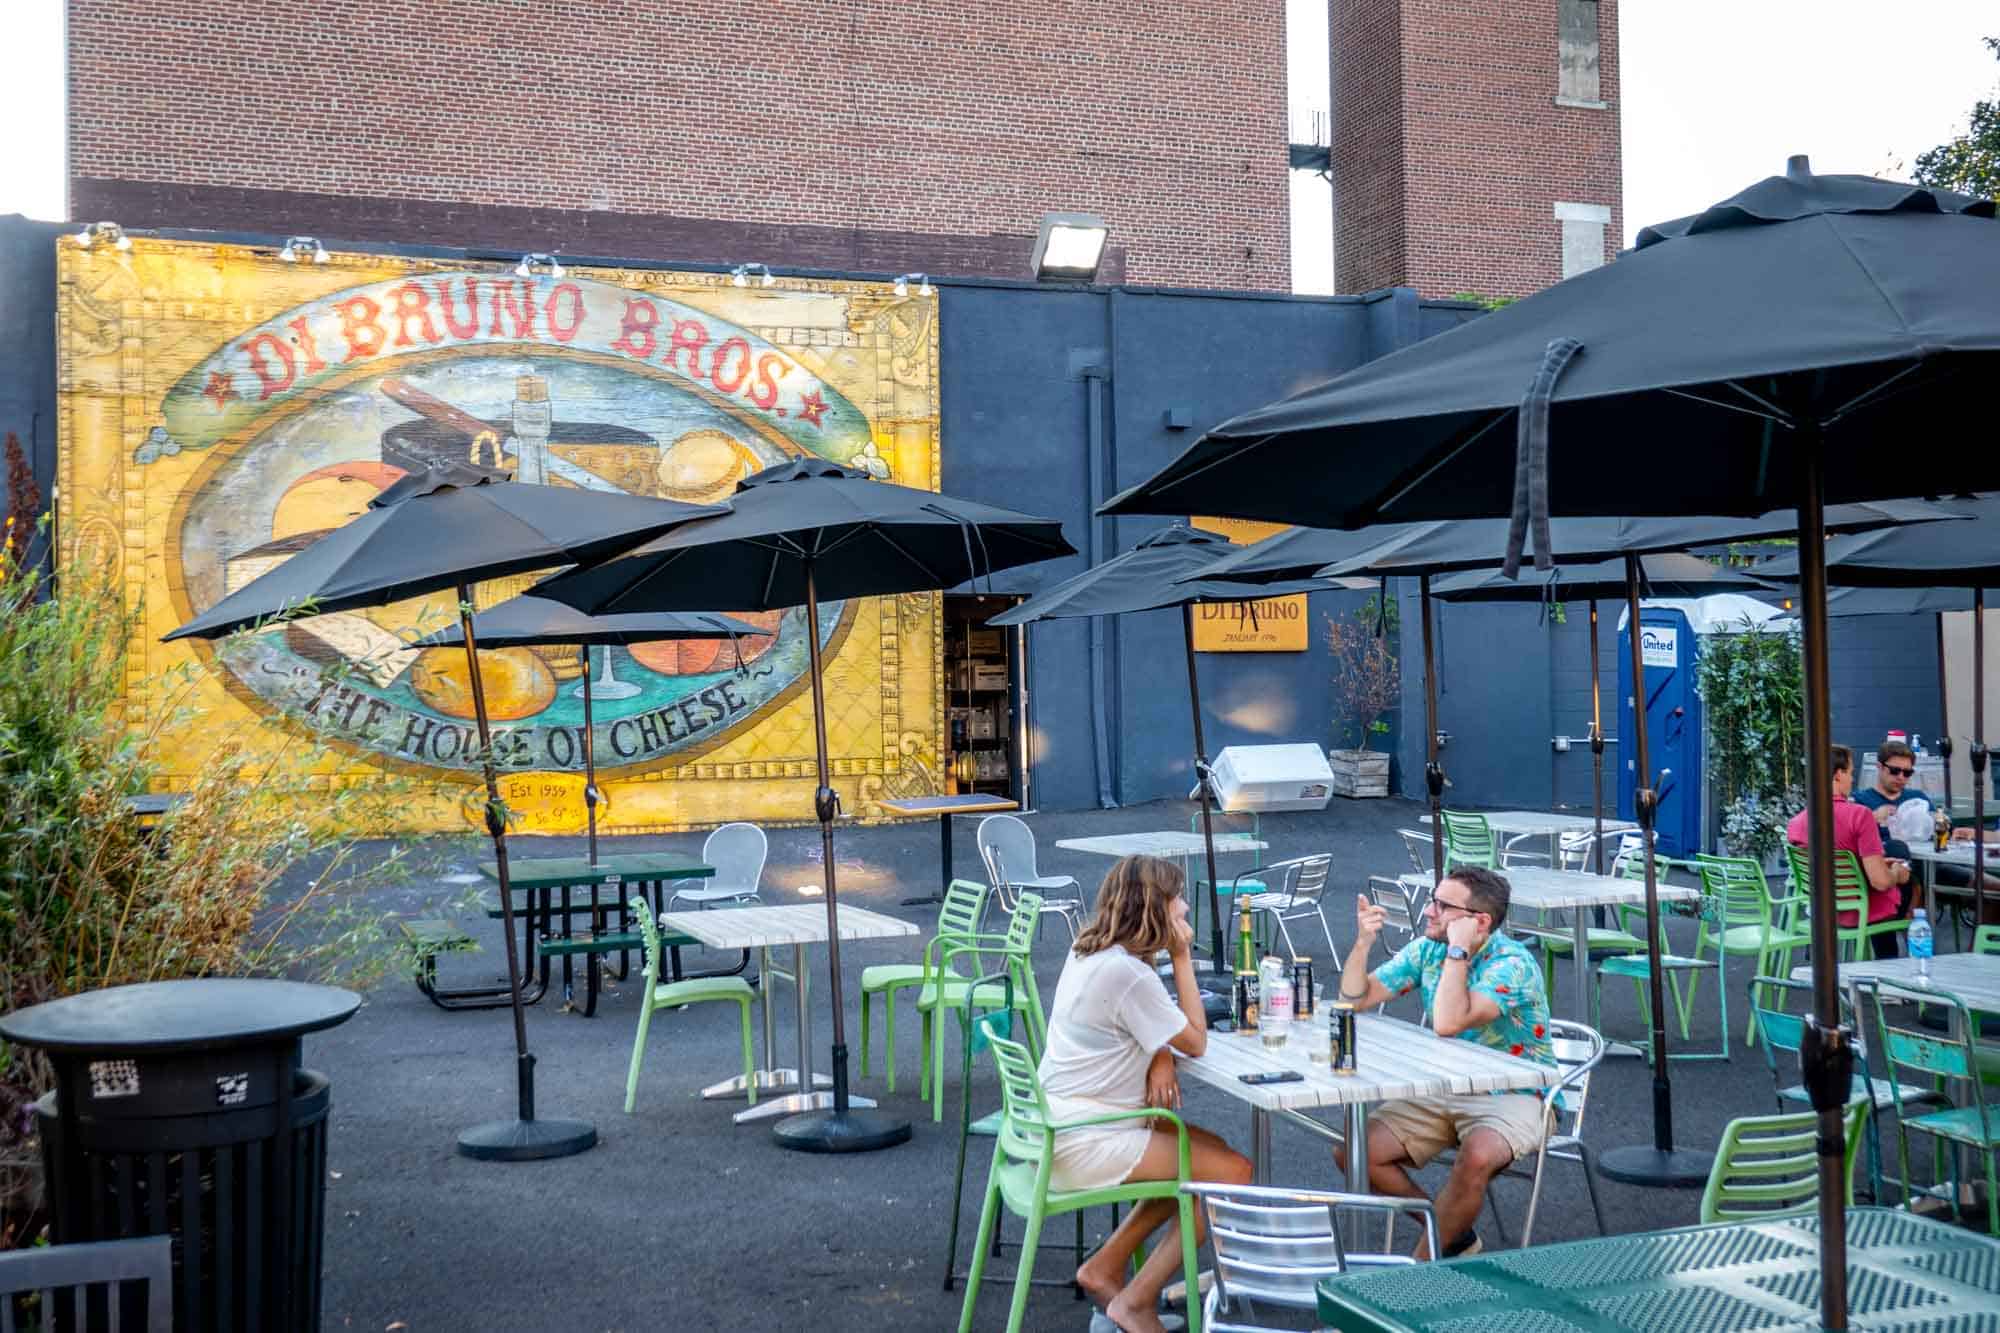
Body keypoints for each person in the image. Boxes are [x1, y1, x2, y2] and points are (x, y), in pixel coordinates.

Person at [1041, 854, 1252, 1333]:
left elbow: (1143, 1023)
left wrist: (1159, 1053)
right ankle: (1135, 1302)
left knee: (1209, 1155)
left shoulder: (1092, 950)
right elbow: (1195, 1039)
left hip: (1058, 1124)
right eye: (1176, 899)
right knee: (1232, 1173)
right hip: (1088, 1137)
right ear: (1155, 908)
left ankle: (1105, 1268)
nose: (1184, 907)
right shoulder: (1130, 975)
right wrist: (1180, 957)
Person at [1331, 865, 1555, 1260]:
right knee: (1354, 1153)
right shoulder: (1428, 948)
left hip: (1515, 1091)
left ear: (1479, 921)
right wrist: (1364, 942)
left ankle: (1419, 1270)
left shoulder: (1513, 964)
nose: (1428, 913)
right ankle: (1449, 1232)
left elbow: (1448, 1022)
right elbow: (1354, 999)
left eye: (1441, 905)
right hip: (1444, 1087)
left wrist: (1459, 951)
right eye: (1432, 902)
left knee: (1478, 1155)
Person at [1787, 744, 1911, 957]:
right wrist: (1897, 873)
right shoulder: (1860, 815)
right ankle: (1889, 974)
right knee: (1904, 884)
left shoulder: (1796, 823)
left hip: (1822, 910)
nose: (1852, 780)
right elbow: (1880, 882)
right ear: (1838, 774)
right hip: (1858, 911)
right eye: (1851, 773)